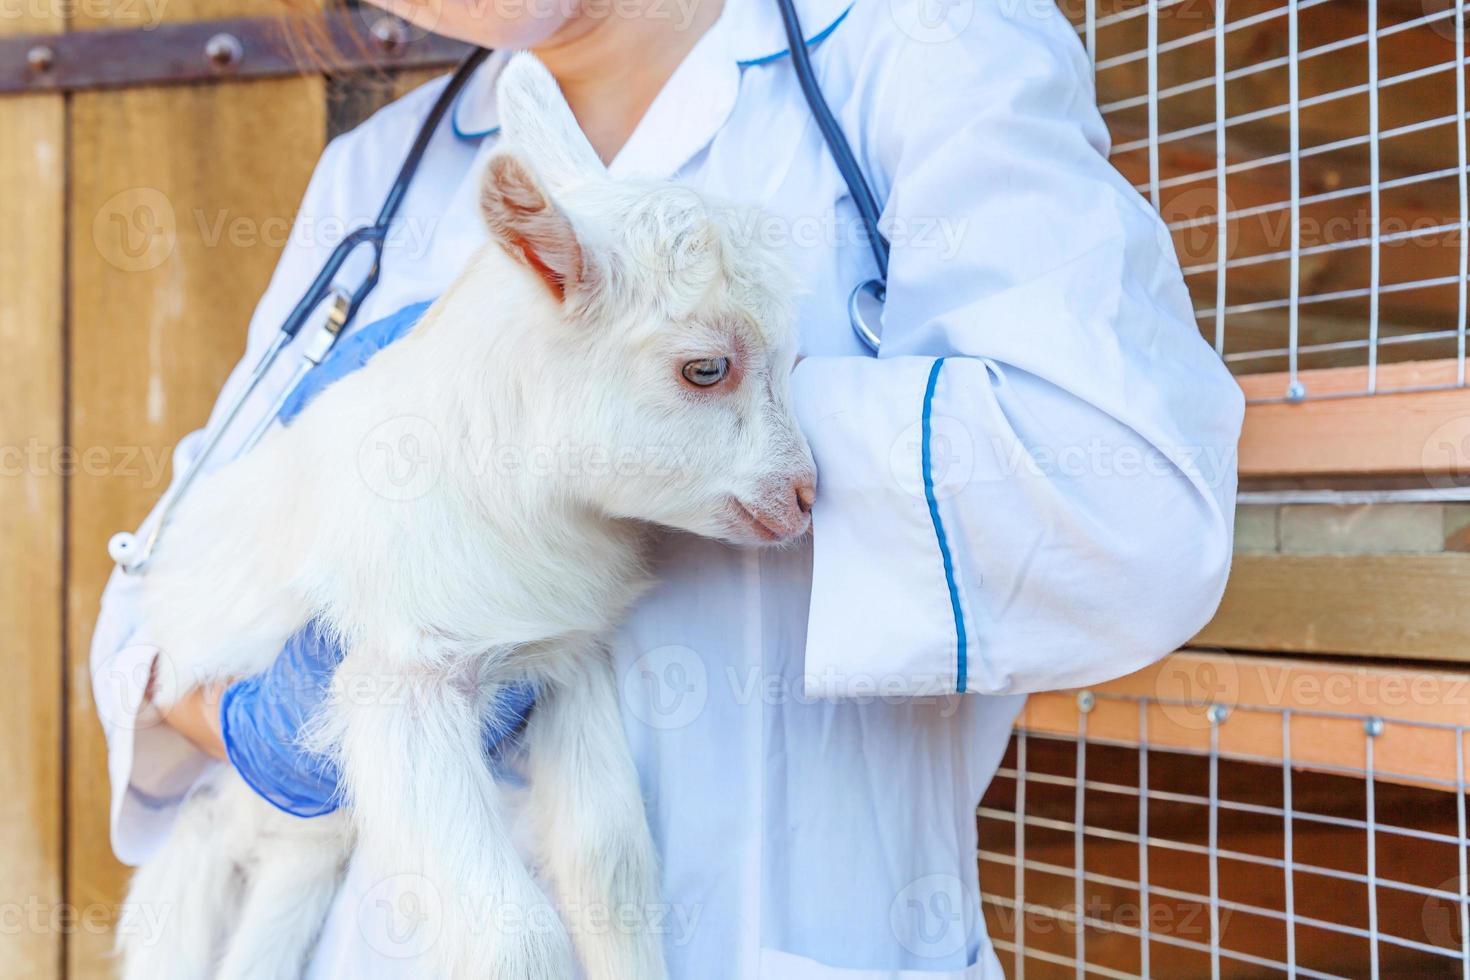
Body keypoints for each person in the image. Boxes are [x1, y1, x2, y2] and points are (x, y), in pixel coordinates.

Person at [89, 0, 1243, 973]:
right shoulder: (378, 176)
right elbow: (150, 620)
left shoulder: (920, 44)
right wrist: (274, 721)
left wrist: (648, 424)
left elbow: (1129, 510)